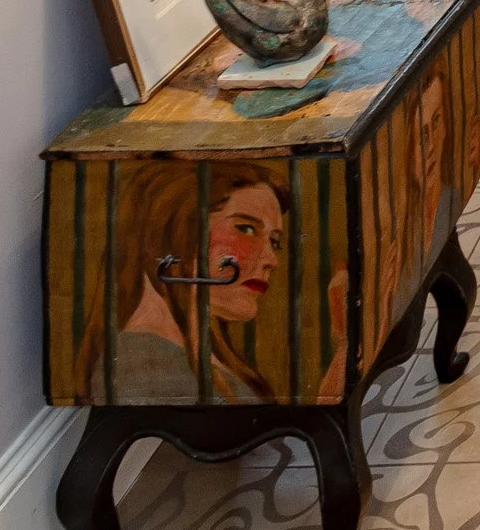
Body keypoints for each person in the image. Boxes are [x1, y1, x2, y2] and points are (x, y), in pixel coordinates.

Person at [80, 163, 347, 403]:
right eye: (246, 228)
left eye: (274, 242)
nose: (271, 260)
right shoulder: (137, 361)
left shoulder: (205, 355)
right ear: (172, 228)